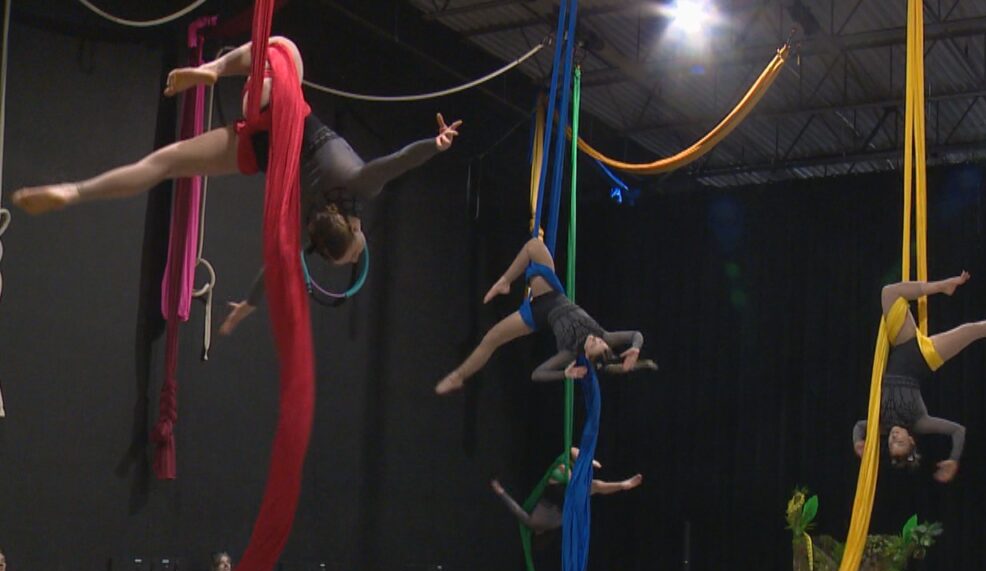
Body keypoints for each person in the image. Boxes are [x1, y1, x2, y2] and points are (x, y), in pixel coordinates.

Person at [8, 38, 461, 335]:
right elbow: (276, 267)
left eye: (357, 249)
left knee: (285, 49)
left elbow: (399, 162)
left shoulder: (362, 187)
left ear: (353, 229)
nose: (360, 251)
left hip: (279, 108)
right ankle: (77, 192)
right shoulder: (312, 226)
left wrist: (437, 145)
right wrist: (247, 304)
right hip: (259, 148)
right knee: (165, 164)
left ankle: (214, 67)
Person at [853, 274, 986, 482]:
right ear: (911, 439)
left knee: (889, 292)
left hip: (902, 342)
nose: (894, 438)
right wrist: (953, 459)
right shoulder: (920, 423)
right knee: (975, 330)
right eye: (900, 442)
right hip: (925, 357)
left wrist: (858, 442)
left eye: (892, 444)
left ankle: (943, 286)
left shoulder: (881, 424)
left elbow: (859, 426)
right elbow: (958, 431)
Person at [435, 235, 644, 393]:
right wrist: (634, 349)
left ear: (588, 355)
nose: (594, 339)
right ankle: (505, 282)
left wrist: (565, 374)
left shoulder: (569, 352)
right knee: (534, 246)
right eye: (599, 341)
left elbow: (537, 374)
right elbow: (636, 334)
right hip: (551, 293)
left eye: (593, 345)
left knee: (491, 339)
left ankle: (458, 376)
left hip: (535, 316)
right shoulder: (605, 335)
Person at [489, 447, 643, 539]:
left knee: (592, 485)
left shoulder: (552, 524)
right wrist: (500, 491)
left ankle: (620, 483)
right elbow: (516, 510)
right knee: (571, 463)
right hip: (559, 490)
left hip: (561, 491)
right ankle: (619, 483)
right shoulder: (535, 523)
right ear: (540, 533)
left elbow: (569, 515)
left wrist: (501, 492)